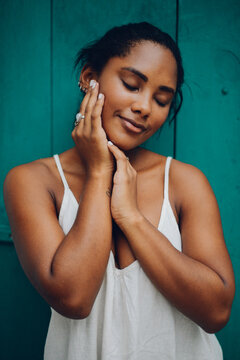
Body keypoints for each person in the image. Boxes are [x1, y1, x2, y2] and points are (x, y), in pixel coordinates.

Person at [3, 22, 235, 360]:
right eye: (131, 85)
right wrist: (99, 173)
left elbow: (215, 312)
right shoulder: (33, 181)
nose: (144, 107)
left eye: (161, 99)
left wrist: (131, 218)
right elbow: (74, 298)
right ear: (88, 78)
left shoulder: (185, 182)